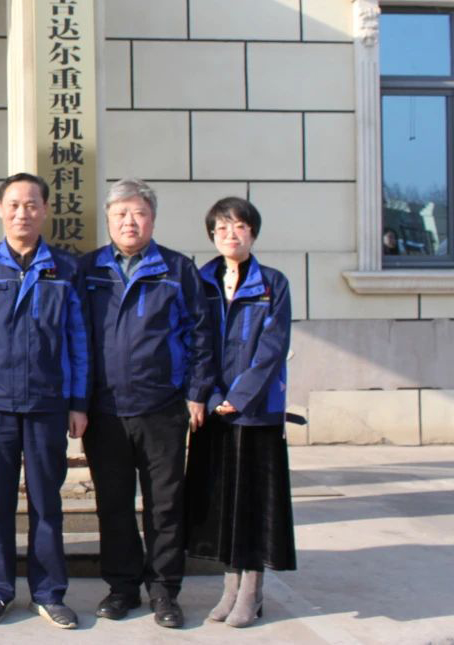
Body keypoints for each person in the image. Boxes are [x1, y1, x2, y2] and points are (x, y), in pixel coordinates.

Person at [79, 178, 214, 629]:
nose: (129, 222)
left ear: (152, 219)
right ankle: (122, 587)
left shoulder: (177, 269)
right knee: (113, 505)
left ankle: (164, 590)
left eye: (138, 213)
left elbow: (200, 334)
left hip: (162, 408)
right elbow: (75, 338)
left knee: (164, 505)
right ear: (108, 219)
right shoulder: (89, 269)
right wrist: (77, 402)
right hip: (105, 411)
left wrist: (197, 392)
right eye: (120, 214)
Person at [0, 173, 88, 629]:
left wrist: (78, 401)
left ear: (45, 210)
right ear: (0, 210)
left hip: (48, 404)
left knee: (46, 503)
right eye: (13, 205)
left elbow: (78, 339)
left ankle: (49, 592)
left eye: (32, 204)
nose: (22, 213)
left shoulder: (66, 268)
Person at [186, 197, 297, 628]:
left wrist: (241, 395)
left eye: (239, 227)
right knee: (223, 506)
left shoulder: (273, 283)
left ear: (252, 232)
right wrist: (212, 395)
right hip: (215, 412)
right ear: (211, 235)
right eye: (221, 228)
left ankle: (251, 591)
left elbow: (273, 347)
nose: (230, 235)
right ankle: (229, 588)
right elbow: (196, 342)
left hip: (257, 413)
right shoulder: (202, 281)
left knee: (253, 504)